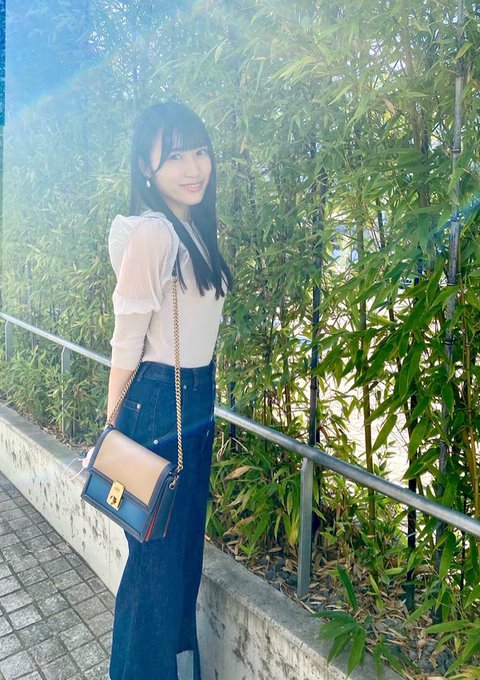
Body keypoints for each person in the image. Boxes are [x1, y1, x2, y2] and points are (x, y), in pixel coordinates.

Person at [105, 101, 232, 680]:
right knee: (155, 571)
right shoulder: (154, 233)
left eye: (200, 152)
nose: (193, 167)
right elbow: (126, 342)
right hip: (158, 404)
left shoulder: (194, 228)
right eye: (175, 156)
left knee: (180, 562)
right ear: (146, 167)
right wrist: (112, 430)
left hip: (193, 402)